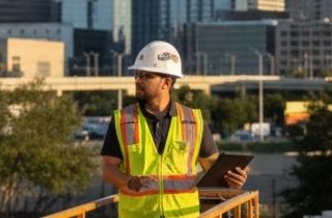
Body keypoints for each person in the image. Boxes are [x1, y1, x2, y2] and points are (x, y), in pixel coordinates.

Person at [101, 41, 248, 217]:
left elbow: (213, 168)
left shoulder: (193, 121)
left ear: (166, 82)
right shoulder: (122, 120)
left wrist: (234, 177)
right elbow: (108, 169)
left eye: (146, 76)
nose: (138, 81)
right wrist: (129, 182)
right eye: (137, 75)